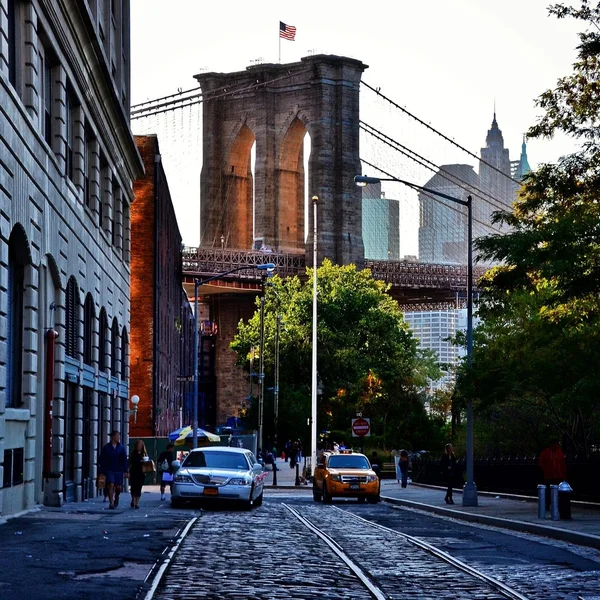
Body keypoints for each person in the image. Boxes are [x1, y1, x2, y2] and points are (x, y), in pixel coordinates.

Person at [98, 430, 128, 510]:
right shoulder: (107, 448)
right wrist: (102, 471)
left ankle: (117, 496)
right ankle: (111, 502)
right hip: (109, 470)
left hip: (118, 470)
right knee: (110, 485)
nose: (118, 437)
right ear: (113, 437)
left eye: (119, 436)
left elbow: (124, 460)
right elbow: (102, 459)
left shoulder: (121, 448)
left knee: (118, 487)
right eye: (117, 436)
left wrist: (126, 471)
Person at [539, 439, 567, 509]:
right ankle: (548, 504)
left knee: (558, 491)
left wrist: (563, 474)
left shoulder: (560, 453)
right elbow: (541, 463)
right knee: (548, 491)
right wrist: (546, 469)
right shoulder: (545, 452)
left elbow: (563, 464)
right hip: (549, 476)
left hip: (558, 475)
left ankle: (558, 504)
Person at [128, 440, 148, 509]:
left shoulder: (144, 454)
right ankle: (133, 499)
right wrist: (128, 472)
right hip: (133, 472)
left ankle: (136, 503)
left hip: (141, 473)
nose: (139, 447)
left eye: (140, 445)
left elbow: (147, 463)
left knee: (139, 488)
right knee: (133, 487)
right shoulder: (133, 454)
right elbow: (129, 463)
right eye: (138, 445)